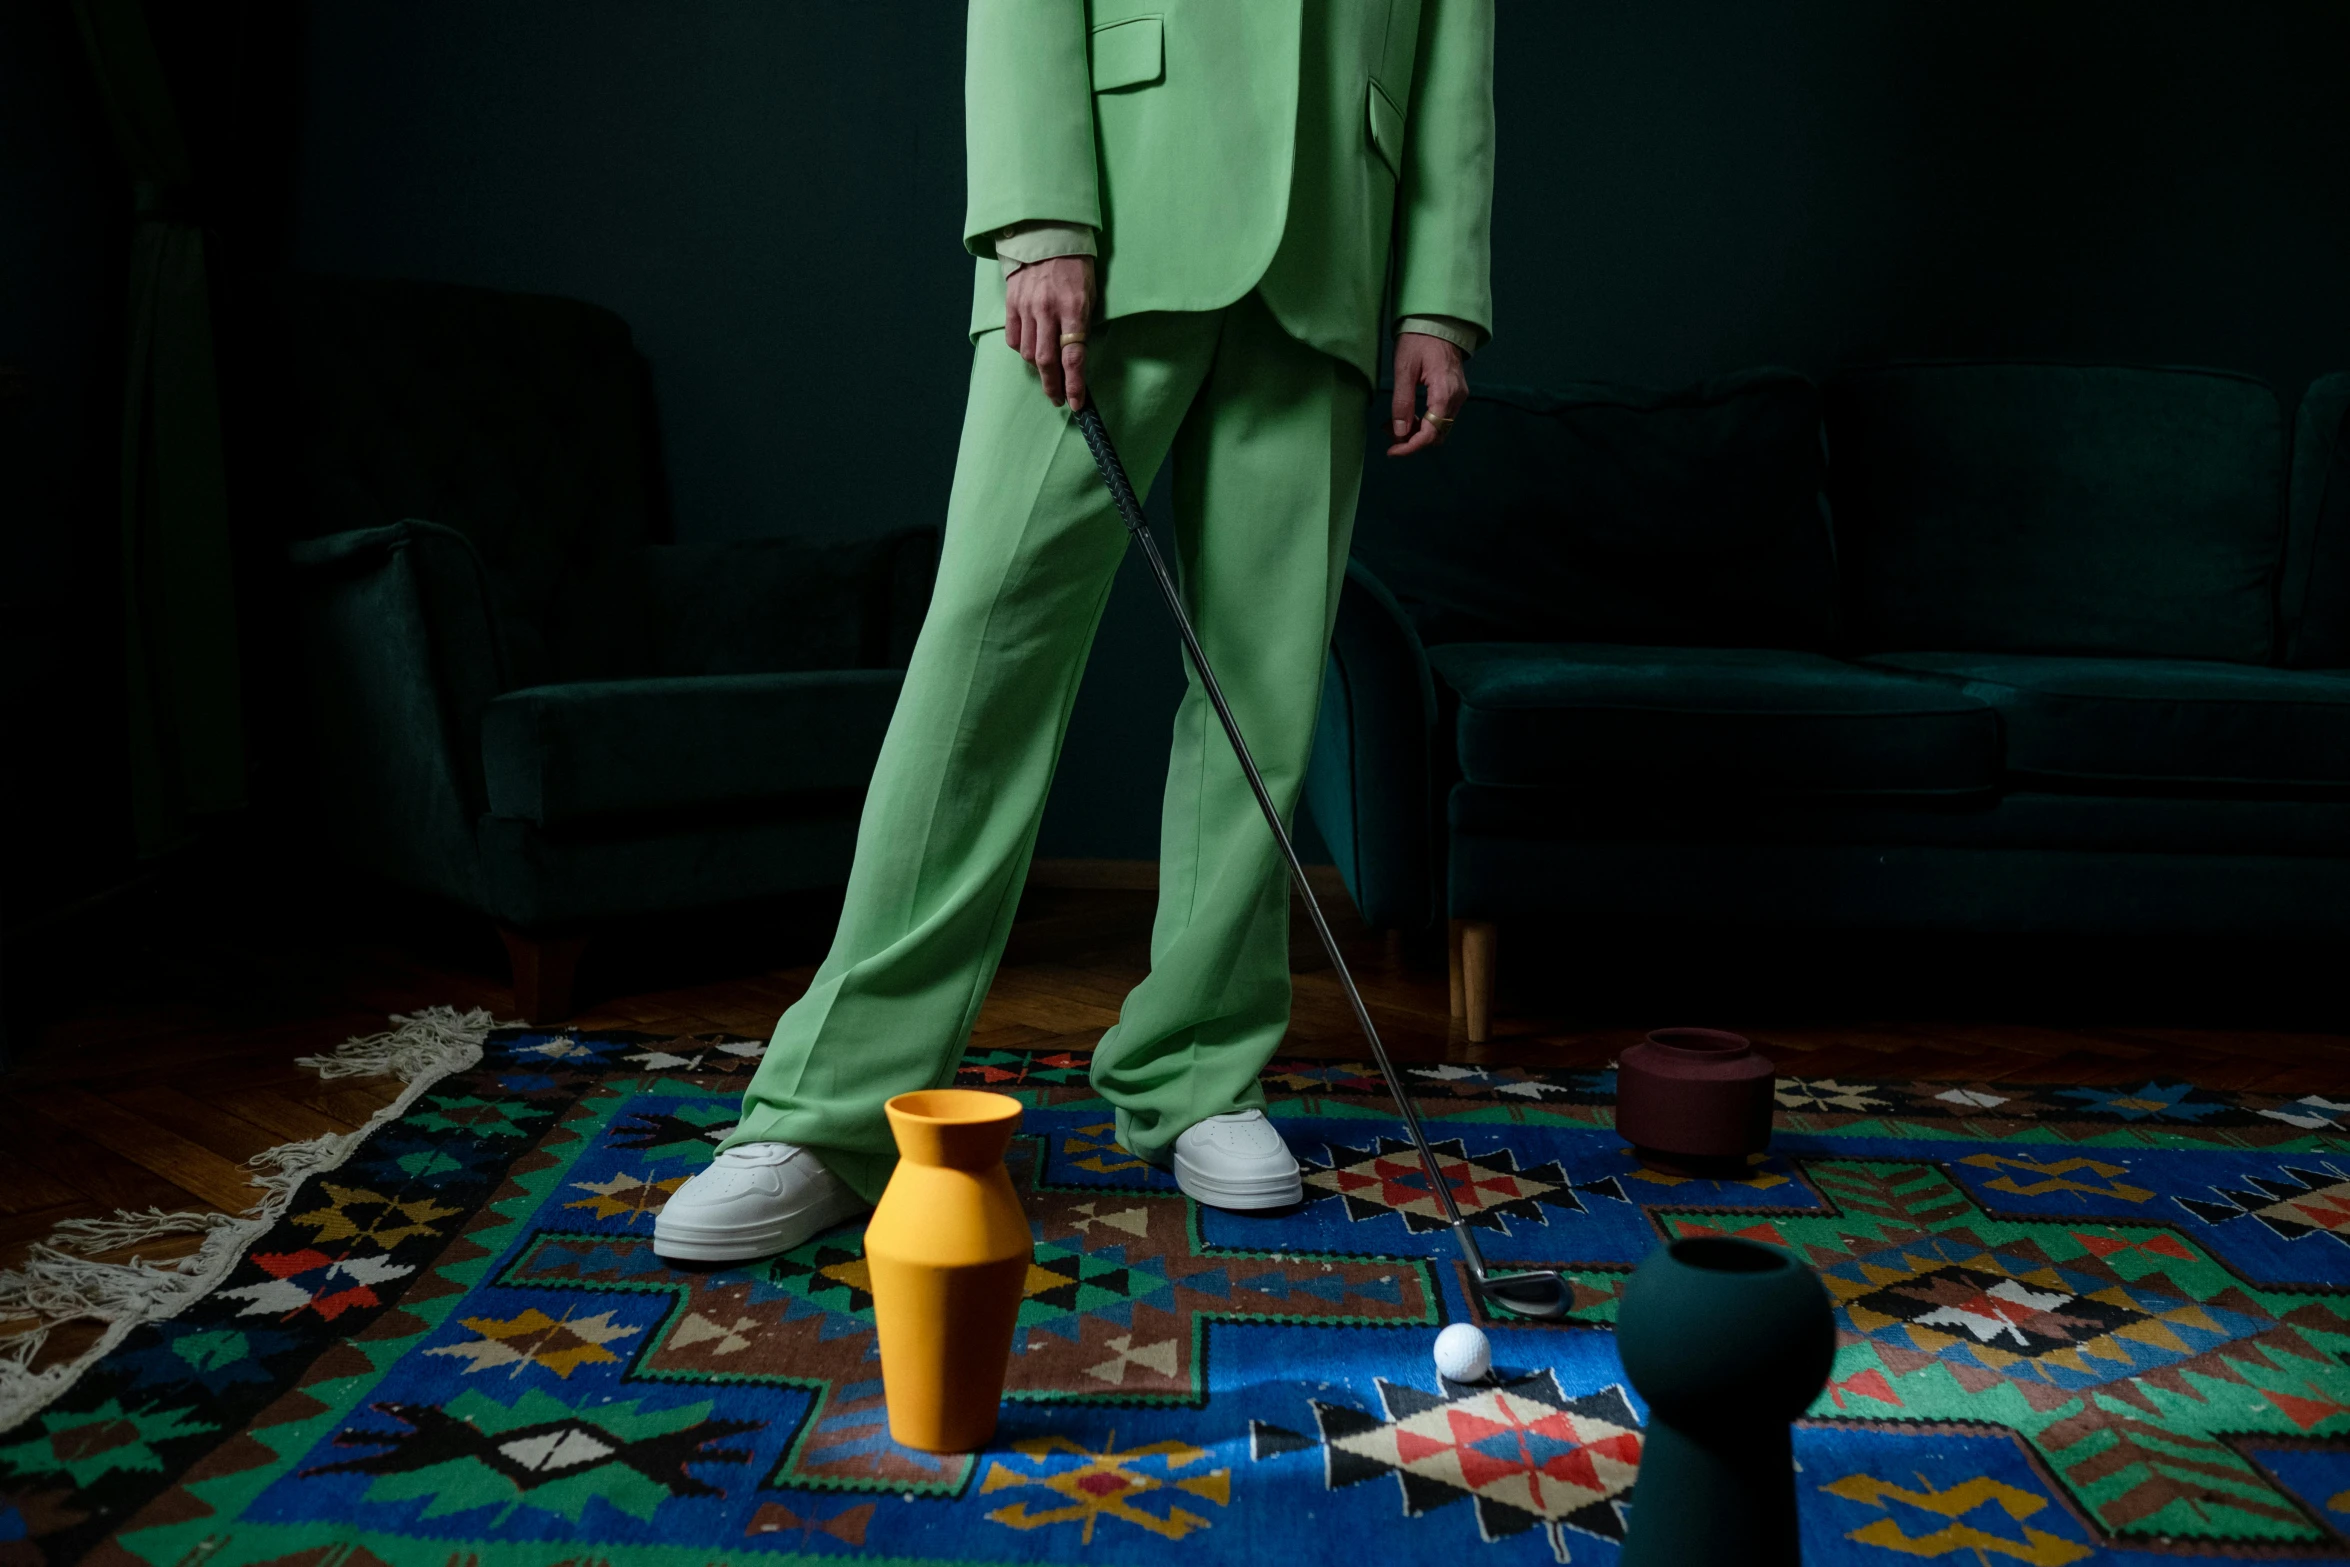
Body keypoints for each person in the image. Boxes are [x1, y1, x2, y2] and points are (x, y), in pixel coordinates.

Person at [655, 0, 1495, 1262]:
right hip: (1115, 205)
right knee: (982, 667)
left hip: (1332, 242)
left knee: (1258, 705)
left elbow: (1454, 47)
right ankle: (829, 1111)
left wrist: (1439, 295)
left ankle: (1200, 1071)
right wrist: (1041, 212)